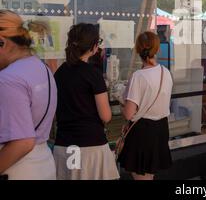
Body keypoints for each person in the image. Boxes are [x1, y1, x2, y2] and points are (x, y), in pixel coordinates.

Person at [53, 23, 119, 180]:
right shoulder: (93, 74)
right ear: (93, 46)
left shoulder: (60, 73)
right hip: (90, 147)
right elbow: (106, 116)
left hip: (65, 145)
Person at [0, 10, 57, 180]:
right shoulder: (42, 69)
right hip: (43, 162)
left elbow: (22, 142)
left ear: (2, 43)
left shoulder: (8, 79)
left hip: (15, 169)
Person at [118, 31, 173, 180]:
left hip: (142, 132)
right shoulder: (166, 72)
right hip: (161, 128)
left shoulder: (138, 76)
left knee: (142, 177)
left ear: (137, 50)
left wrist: (121, 101)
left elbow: (129, 114)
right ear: (157, 49)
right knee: (149, 175)